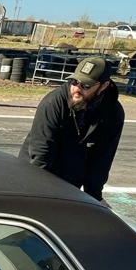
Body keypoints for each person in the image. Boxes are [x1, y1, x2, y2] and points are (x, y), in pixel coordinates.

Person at [18, 56, 125, 202]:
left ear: (104, 86)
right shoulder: (53, 103)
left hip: (71, 181)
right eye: (74, 81)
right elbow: (41, 153)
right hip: (36, 173)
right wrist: (35, 194)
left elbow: (102, 158)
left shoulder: (113, 112)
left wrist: (95, 197)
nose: (76, 89)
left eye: (86, 85)